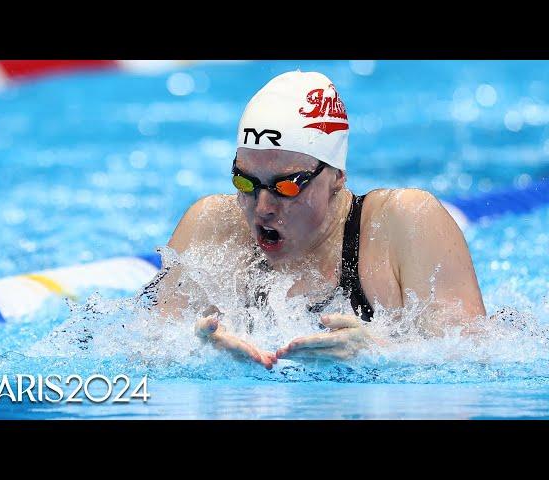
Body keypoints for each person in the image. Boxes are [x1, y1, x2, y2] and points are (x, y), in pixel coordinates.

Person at [148, 70, 486, 369]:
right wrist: (201, 354)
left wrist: (377, 352)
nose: (263, 206)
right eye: (245, 182)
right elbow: (142, 350)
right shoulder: (211, 225)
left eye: (287, 186)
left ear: (337, 176)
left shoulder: (403, 222)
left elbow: (478, 358)